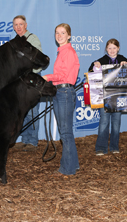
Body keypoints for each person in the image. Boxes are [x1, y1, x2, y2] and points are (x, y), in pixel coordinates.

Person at [43, 23, 80, 175]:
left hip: (64, 91)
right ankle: (72, 164)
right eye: (57, 33)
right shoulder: (62, 52)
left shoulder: (69, 52)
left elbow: (65, 76)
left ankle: (68, 168)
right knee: (64, 131)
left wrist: (48, 77)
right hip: (60, 92)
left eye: (63, 33)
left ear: (69, 35)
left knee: (65, 132)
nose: (59, 36)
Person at [88, 38, 127, 156]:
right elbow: (90, 71)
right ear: (106, 49)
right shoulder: (101, 60)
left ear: (118, 48)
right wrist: (95, 65)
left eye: (114, 48)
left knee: (116, 123)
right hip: (104, 96)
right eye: (109, 48)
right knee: (104, 122)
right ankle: (101, 148)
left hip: (118, 97)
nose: (112, 50)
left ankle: (114, 146)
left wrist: (126, 66)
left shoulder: (124, 60)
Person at [12, 15, 43, 152]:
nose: (18, 27)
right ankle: (25, 139)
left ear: (26, 25)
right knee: (22, 110)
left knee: (32, 110)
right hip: (20, 79)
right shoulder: (15, 42)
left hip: (32, 77)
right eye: (16, 25)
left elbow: (38, 61)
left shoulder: (33, 39)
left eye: (20, 24)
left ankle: (32, 141)